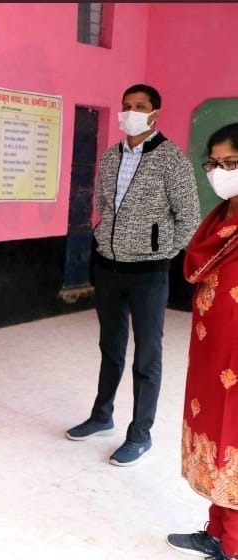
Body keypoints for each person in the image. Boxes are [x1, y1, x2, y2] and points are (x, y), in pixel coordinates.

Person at [66, 83, 200, 466]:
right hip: (108, 268)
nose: (131, 112)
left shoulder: (172, 159)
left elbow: (189, 216)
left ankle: (140, 435)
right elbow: (102, 203)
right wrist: (102, 238)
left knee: (147, 355)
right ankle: (101, 416)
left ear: (155, 113)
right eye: (127, 105)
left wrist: (161, 252)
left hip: (148, 275)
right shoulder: (111, 156)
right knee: (111, 348)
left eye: (140, 106)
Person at [166, 123, 238, 560]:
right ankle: (216, 531)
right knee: (214, 427)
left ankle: (233, 546)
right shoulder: (223, 216)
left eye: (231, 163)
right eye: (214, 163)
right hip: (213, 349)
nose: (219, 172)